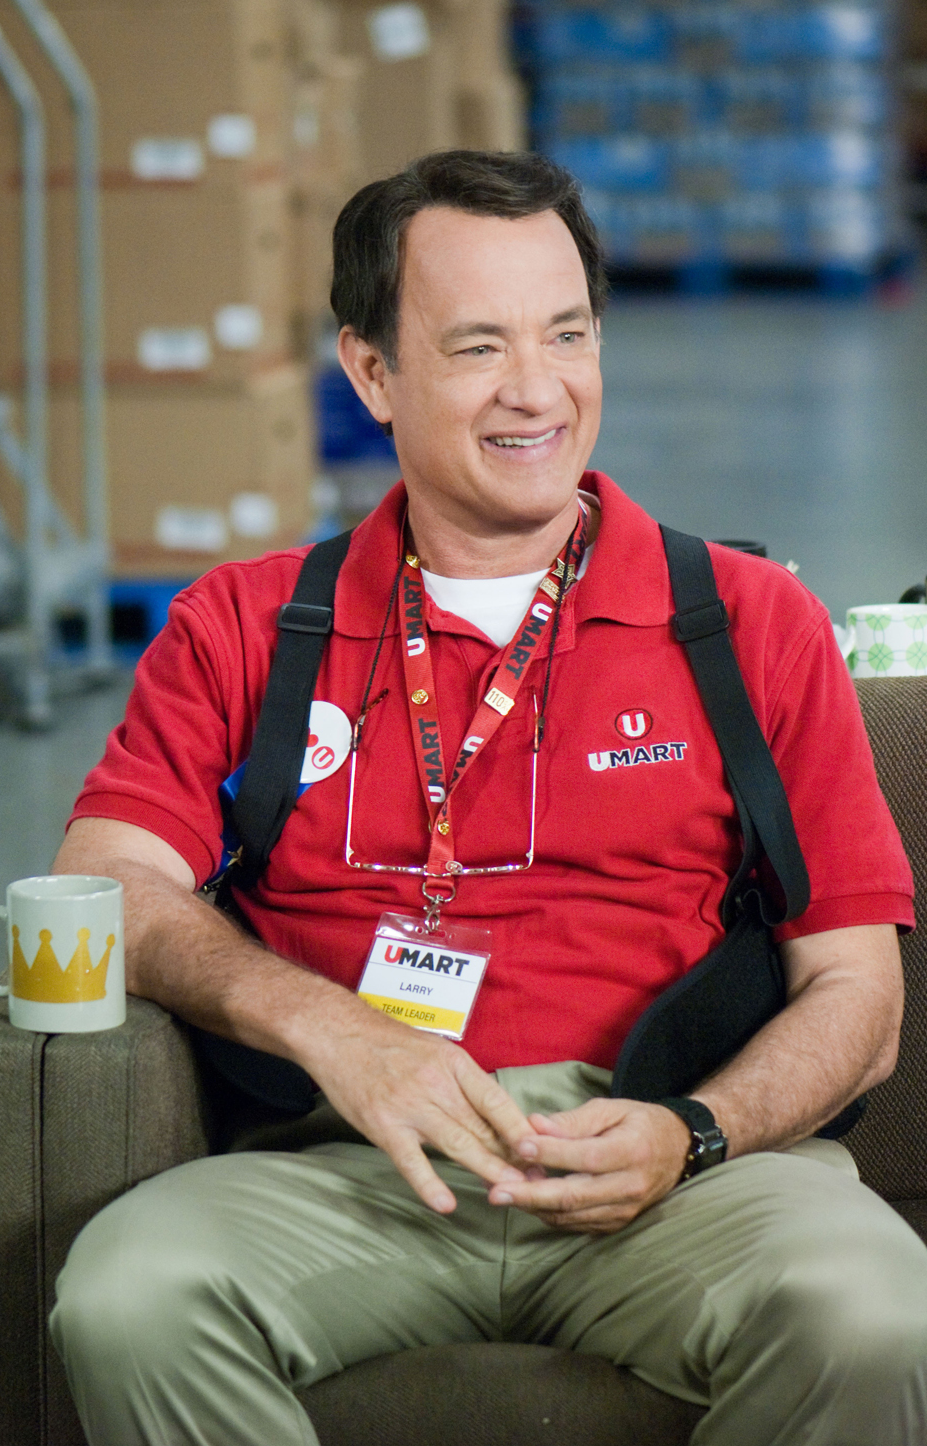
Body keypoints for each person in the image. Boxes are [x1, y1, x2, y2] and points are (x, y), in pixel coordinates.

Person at [49, 150, 927, 1446]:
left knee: (875, 1314)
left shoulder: (748, 624)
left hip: (675, 1166)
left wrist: (697, 1131)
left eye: (567, 334)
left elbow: (861, 993)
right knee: (127, 1301)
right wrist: (336, 1034)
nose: (537, 388)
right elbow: (103, 884)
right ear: (371, 373)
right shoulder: (245, 626)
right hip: (353, 1165)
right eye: (478, 346)